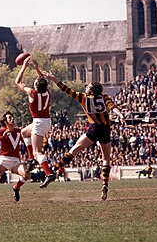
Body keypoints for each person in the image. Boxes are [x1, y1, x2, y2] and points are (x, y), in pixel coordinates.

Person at [44, 72, 124, 200]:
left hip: (94, 129)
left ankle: (53, 171)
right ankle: (105, 184)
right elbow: (112, 107)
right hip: (105, 130)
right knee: (106, 159)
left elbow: (65, 89)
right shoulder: (104, 97)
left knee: (74, 150)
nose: (86, 87)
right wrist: (120, 116)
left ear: (91, 90)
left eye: (88, 86)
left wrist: (53, 77)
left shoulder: (83, 97)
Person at [14, 55, 55, 187]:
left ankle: (49, 173)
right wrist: (37, 69)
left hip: (39, 123)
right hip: (46, 121)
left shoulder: (32, 93)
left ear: (36, 85)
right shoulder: (47, 92)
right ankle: (31, 159)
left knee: (38, 152)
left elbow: (18, 82)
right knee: (24, 133)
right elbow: (42, 80)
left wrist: (24, 67)